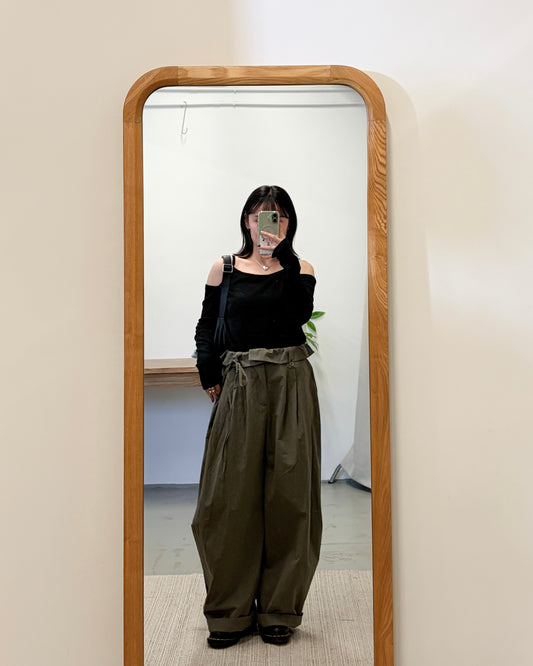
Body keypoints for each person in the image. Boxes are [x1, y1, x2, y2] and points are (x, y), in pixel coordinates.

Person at [192, 185, 322, 649]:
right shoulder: (223, 268)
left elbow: (297, 315)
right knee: (226, 499)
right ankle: (229, 612)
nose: (269, 224)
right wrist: (209, 374)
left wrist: (278, 258)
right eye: (260, 215)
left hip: (291, 383)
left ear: (289, 223)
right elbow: (207, 325)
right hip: (240, 382)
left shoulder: (300, 270)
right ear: (246, 220)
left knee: (290, 497)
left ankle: (279, 610)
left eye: (279, 216)